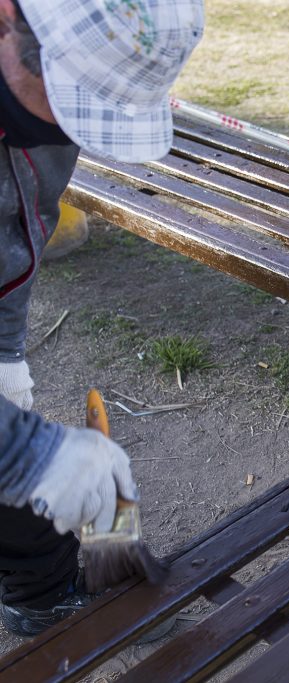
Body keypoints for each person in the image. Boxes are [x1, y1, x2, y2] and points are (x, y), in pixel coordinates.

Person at [0, 0, 203, 637]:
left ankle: (42, 597)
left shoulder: (35, 112)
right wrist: (21, 451)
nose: (70, 132)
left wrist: (4, 353)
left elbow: (21, 221)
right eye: (68, 99)